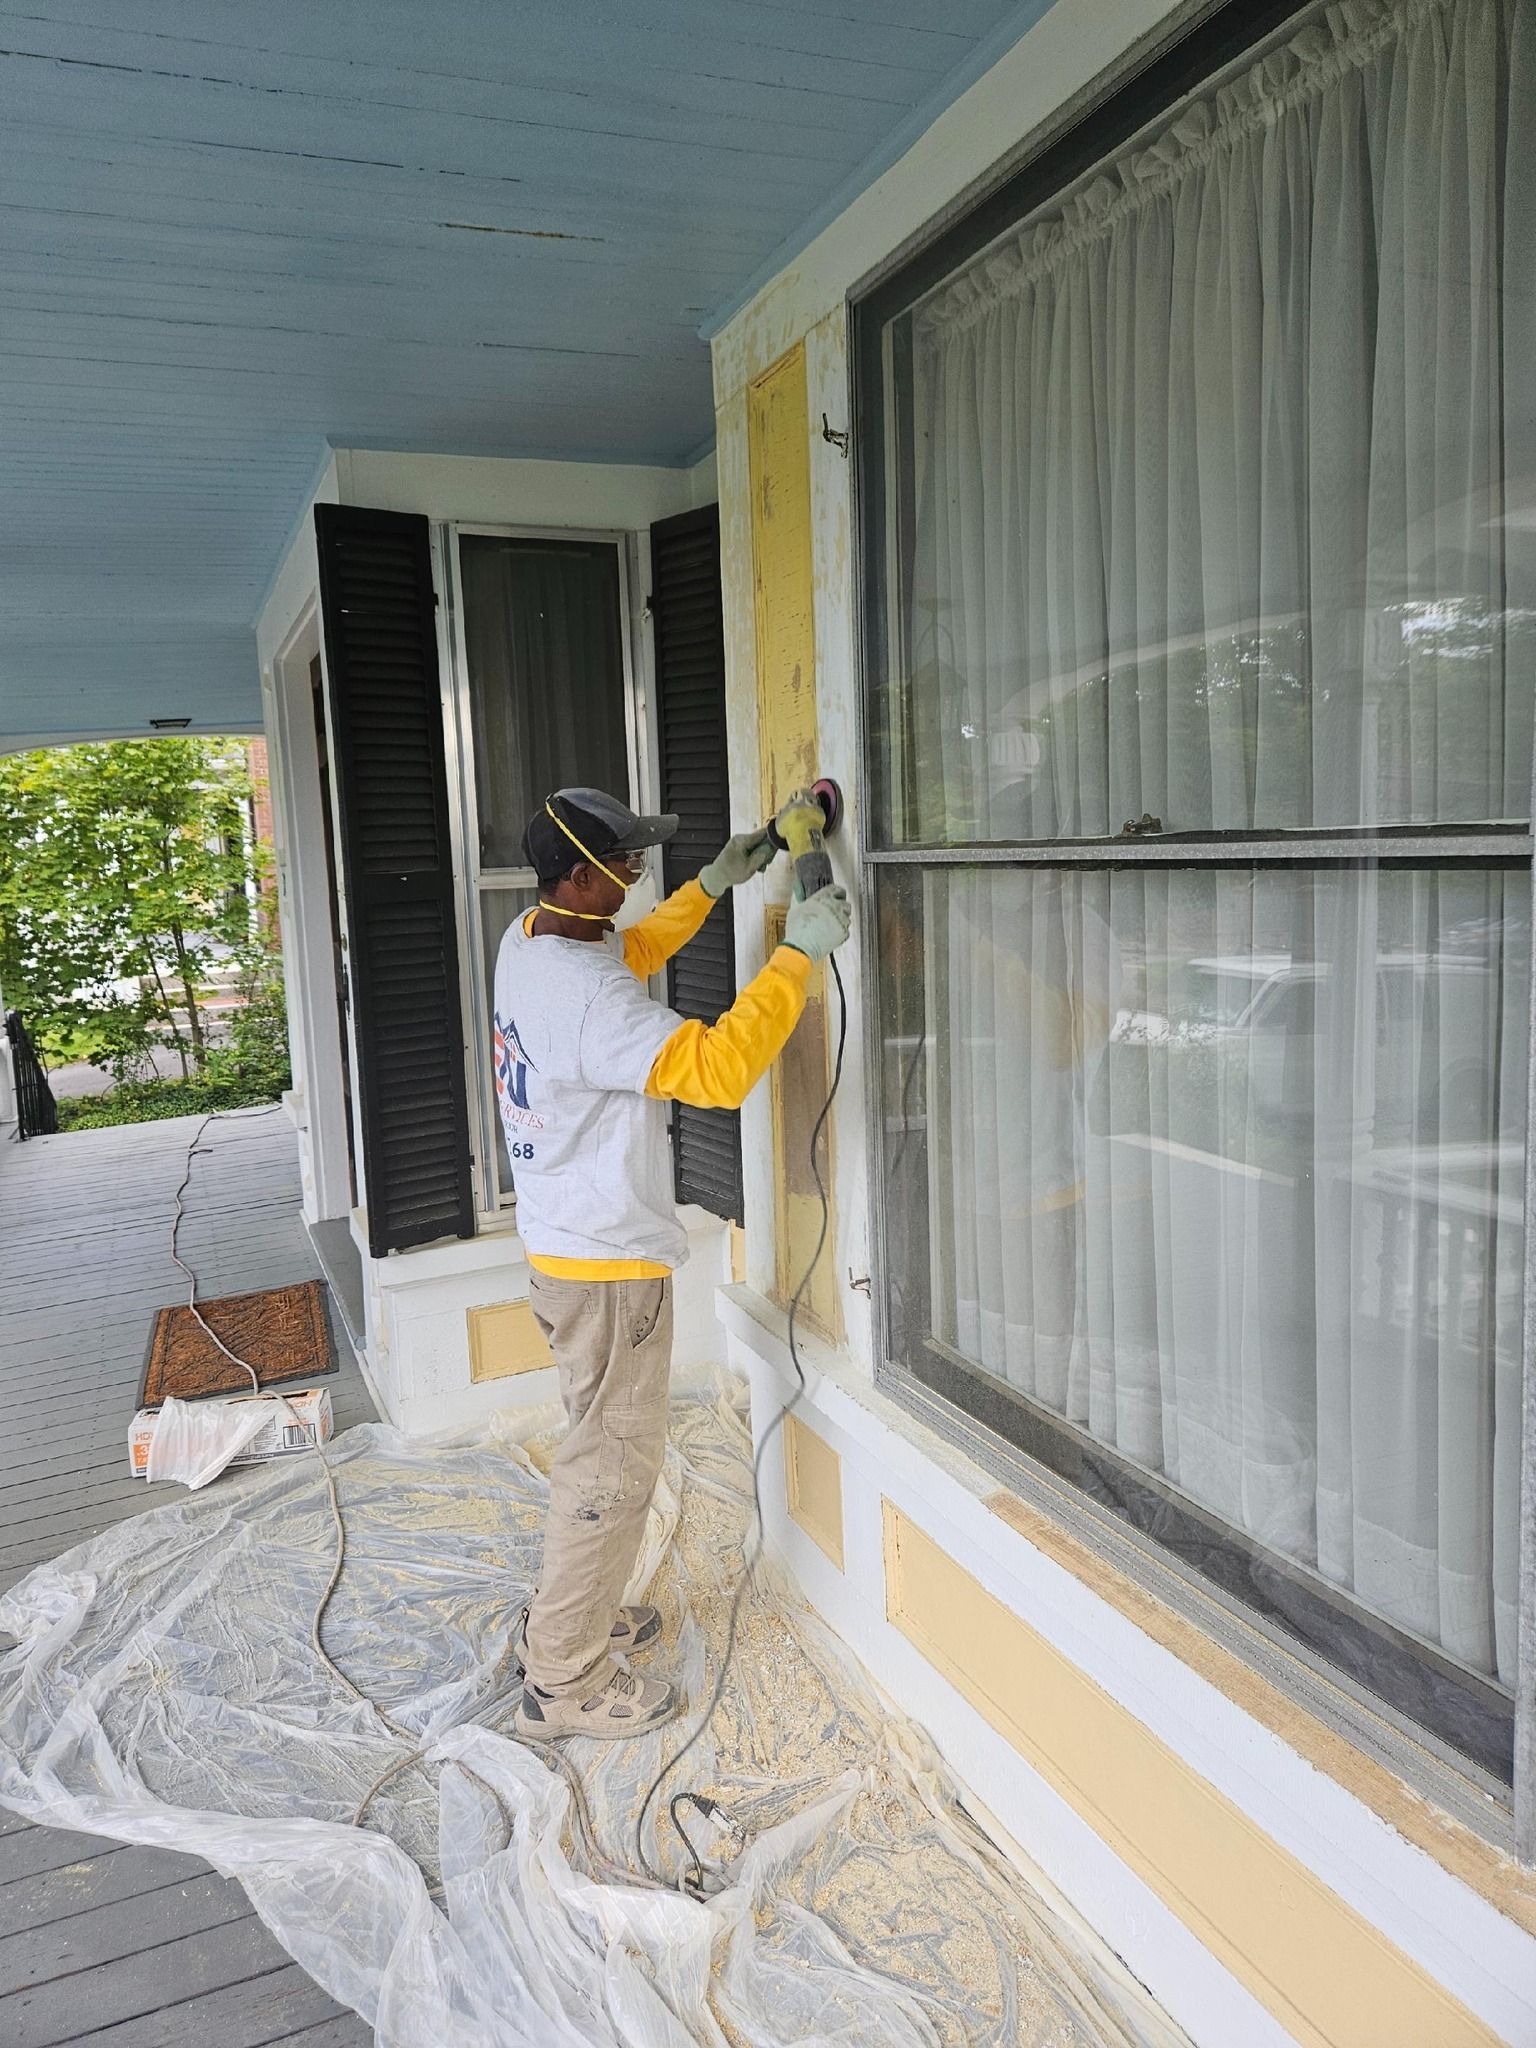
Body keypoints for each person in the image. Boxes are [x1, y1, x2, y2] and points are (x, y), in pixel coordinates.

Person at [495, 785, 851, 1738]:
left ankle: (570, 1616)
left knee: (594, 1451)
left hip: (564, 1249)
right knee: (609, 1471)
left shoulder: (531, 939)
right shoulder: (588, 1001)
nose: (637, 874)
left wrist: (714, 883)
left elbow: (637, 948)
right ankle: (564, 1679)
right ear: (580, 877)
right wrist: (796, 954)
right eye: (625, 864)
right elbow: (721, 1070)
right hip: (606, 1268)